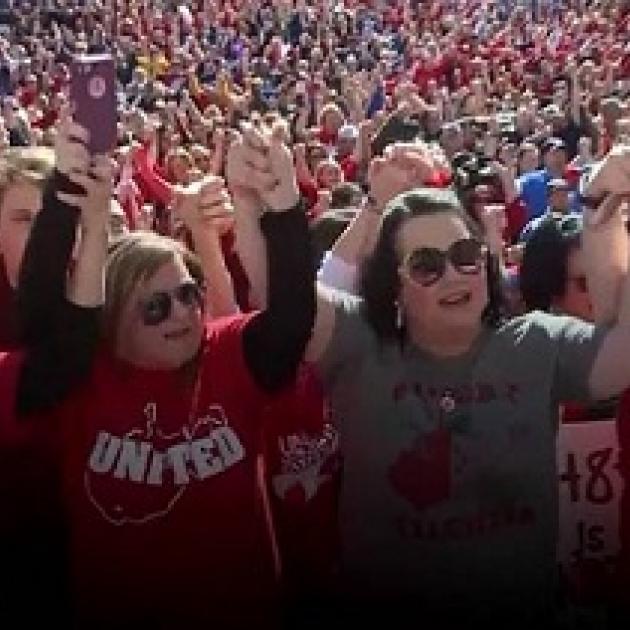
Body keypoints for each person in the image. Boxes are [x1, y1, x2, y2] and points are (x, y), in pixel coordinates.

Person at [233, 134, 630, 626]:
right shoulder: (360, 344)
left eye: (465, 254)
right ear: (392, 288)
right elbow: (284, 292)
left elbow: (622, 354)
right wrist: (268, 200)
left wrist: (602, 210)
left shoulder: (538, 345)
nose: (453, 274)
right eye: (425, 265)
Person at [3, 118, 315, 626]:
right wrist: (68, 192)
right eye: (154, 307)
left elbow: (293, 318)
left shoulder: (229, 353)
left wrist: (281, 206)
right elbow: (40, 315)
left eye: (189, 294)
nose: (182, 313)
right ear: (111, 322)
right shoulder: (80, 380)